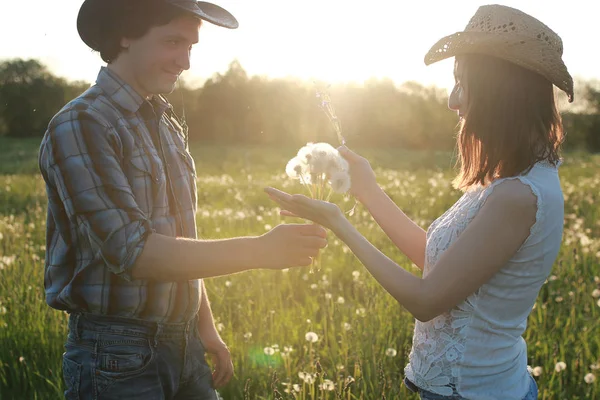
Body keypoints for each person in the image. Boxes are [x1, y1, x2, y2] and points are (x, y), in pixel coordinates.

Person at [265, 4, 573, 400]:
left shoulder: (518, 195)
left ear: (501, 92)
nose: (452, 100)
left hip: (476, 392)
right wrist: (369, 191)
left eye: (463, 83)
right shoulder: (509, 181)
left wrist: (341, 224)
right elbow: (437, 264)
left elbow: (426, 300)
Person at [38, 1, 327, 399]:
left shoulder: (165, 121)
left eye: (191, 47)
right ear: (124, 35)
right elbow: (135, 253)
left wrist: (204, 327)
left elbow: (179, 235)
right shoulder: (83, 123)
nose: (185, 62)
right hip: (116, 352)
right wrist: (261, 249)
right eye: (173, 42)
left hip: (186, 343)